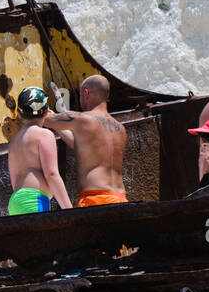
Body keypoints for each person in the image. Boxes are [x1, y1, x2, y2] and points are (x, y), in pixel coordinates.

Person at [39, 75, 129, 206]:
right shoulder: (120, 129)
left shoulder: (81, 119)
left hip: (95, 200)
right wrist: (60, 130)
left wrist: (47, 112)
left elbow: (43, 119)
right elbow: (84, 149)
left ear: (86, 93)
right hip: (120, 199)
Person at [7, 86, 73, 214]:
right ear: (47, 113)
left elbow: (14, 181)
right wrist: (69, 210)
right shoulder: (45, 135)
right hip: (34, 201)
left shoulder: (14, 142)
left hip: (16, 201)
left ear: (19, 114)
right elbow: (51, 174)